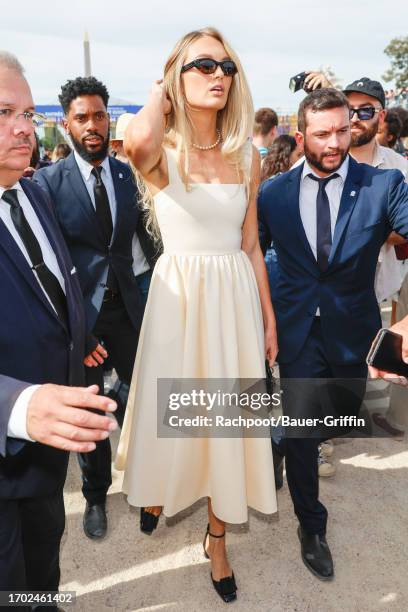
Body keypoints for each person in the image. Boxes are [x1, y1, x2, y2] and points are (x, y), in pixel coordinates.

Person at [115, 27, 278, 603]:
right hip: (179, 302)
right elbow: (135, 142)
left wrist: (267, 317)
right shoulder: (163, 153)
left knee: (227, 424)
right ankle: (159, 489)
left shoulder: (248, 156)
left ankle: (217, 539)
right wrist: (163, 87)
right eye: (202, 65)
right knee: (176, 414)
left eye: (226, 67)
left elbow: (251, 245)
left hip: (233, 300)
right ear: (175, 78)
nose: (218, 75)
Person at [258, 88, 408, 581]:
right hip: (296, 332)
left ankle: (280, 434)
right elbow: (253, 261)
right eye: (322, 134)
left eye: (342, 130)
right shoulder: (273, 194)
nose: (334, 143)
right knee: (305, 433)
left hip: (353, 333)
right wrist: (261, 321)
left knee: (341, 415)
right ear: (301, 136)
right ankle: (311, 525)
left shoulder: (383, 185)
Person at [0, 51, 117, 602]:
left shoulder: (33, 191)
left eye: (26, 113)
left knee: (43, 574)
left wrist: (81, 337)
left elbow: (59, 280)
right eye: (3, 113)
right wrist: (19, 408)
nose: (23, 127)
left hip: (46, 458)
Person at [34, 76, 158, 541]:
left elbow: (151, 244)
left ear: (109, 120)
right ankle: (94, 496)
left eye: (99, 116)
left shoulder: (129, 177)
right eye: (82, 117)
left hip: (128, 311)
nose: (92, 125)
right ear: (66, 124)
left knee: (144, 401)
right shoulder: (46, 184)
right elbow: (46, 262)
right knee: (89, 412)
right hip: (79, 323)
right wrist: (75, 329)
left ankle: (147, 482)